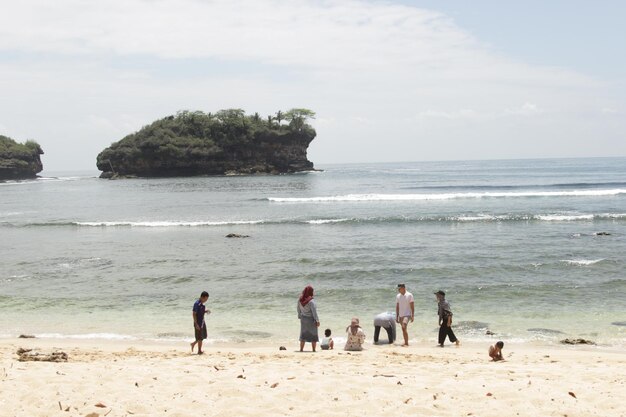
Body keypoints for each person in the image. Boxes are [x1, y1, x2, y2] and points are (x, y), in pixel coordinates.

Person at [297, 285, 320, 352]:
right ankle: (313, 349)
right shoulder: (311, 301)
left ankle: (301, 349)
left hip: (303, 319)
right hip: (311, 319)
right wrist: (317, 320)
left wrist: (299, 316)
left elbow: (298, 309)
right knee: (313, 335)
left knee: (303, 335)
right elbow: (314, 312)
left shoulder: (300, 299)